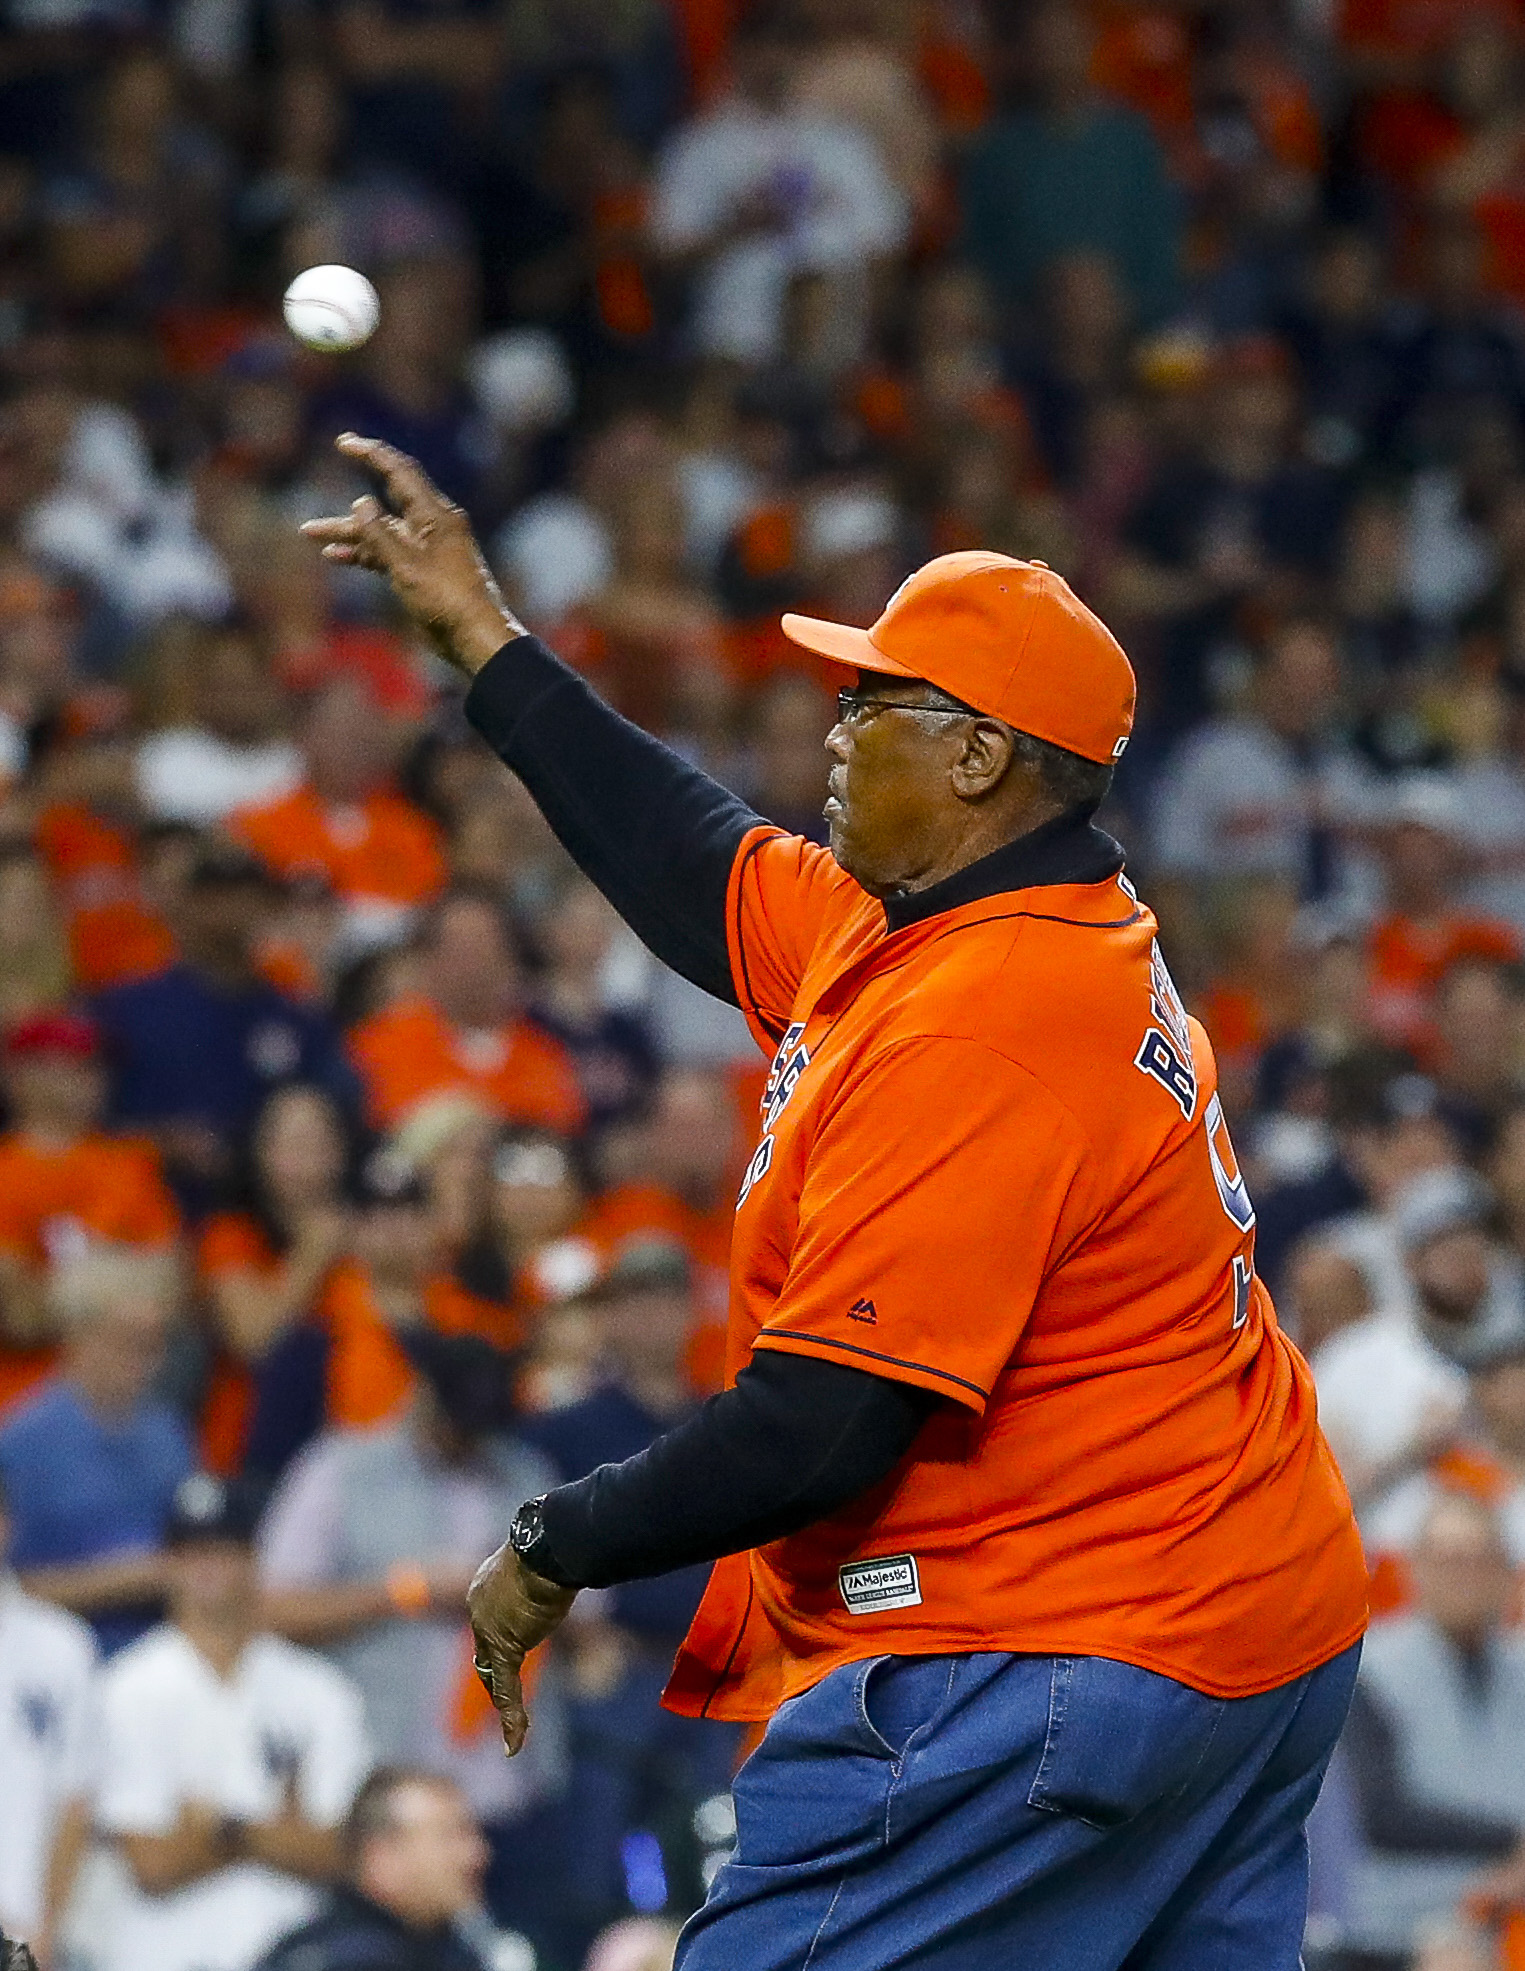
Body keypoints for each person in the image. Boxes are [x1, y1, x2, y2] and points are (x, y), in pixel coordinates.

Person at [303, 436, 1367, 1969]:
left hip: (1059, 1643)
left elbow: (823, 1420)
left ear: (982, 759)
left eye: (877, 702)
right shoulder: (976, 915)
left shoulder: (980, 1021)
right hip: (1247, 1616)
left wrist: (553, 1541)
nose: (835, 724)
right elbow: (696, 862)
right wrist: (488, 642)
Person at [258, 1329, 567, 1959]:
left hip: (512, 1787)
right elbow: (274, 1609)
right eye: (459, 1419)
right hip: (391, 1791)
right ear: (424, 1395)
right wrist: (408, 1589)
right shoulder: (341, 1469)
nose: (469, 1436)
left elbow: (593, 1613)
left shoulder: (528, 1475)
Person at [526, 1239, 741, 1949]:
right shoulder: (567, 1428)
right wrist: (576, 1630)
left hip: (711, 1668)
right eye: (634, 1300)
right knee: (597, 1867)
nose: (652, 1316)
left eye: (666, 1298)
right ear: (609, 1315)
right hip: (614, 1669)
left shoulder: (721, 1423)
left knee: (715, 1856)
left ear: (689, 1311)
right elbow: (526, 1538)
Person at [87, 1474, 370, 1971]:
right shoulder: (124, 1689)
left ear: (255, 1559)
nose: (209, 1568)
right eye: (192, 1552)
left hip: (294, 1949)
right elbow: (153, 1864)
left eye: (225, 1550)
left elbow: (343, 1855)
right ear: (167, 1564)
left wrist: (222, 1826)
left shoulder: (319, 1688)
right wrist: (279, 1830)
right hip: (161, 1956)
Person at [93, 845, 357, 1210]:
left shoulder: (299, 1019)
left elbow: (338, 1116)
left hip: (262, 1222)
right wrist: (159, 1143)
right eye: (216, 896)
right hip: (146, 1210)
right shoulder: (124, 1008)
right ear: (184, 906)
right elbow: (77, 1123)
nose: (235, 909)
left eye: (250, 896)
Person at [1339, 1495, 1525, 1962]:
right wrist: (1514, 1840)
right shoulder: (1371, 1668)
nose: (1465, 1577)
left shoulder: (1519, 1667)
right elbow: (1384, 1813)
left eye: (1480, 1559)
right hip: (1405, 1921)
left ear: (1508, 1573)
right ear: (1414, 1569)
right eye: (1448, 1560)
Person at [0, 1248, 192, 1652]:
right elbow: (11, 1589)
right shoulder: (21, 1444)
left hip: (161, 1657)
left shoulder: (169, 1435)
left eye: (155, 1344)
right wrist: (126, 1579)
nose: (145, 1362)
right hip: (54, 1657)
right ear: (79, 1338)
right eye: (129, 1342)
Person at [0, 1011, 180, 1414]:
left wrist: (56, 1289)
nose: (92, 1077)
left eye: (96, 1066)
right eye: (73, 1065)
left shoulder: (130, 1162)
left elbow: (168, 1285)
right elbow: (17, 1318)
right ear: (22, 1076)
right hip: (18, 1401)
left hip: (127, 1399)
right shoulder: (6, 1171)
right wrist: (117, 1278)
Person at [347, 885, 585, 1136]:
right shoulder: (378, 1046)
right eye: (456, 946)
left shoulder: (546, 1058)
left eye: (482, 944)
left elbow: (562, 1140)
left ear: (510, 958)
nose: (470, 963)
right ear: (427, 959)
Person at [252, 1768, 519, 1971]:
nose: (477, 1854)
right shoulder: (338, 1960)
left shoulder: (455, 1949)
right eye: (450, 1836)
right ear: (382, 1858)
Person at [0, 1466, 97, 1956]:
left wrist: (44, 1926)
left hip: (21, 1928)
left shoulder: (60, 1646)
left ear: (6, 1523)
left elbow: (76, 1799)